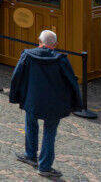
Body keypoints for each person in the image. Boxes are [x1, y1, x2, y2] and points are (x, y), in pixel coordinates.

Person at [9, 30, 83, 179]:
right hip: (54, 103)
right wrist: (77, 103)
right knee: (49, 133)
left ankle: (30, 155)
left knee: (31, 125)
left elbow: (16, 76)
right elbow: (72, 82)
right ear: (55, 44)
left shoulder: (27, 55)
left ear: (39, 41)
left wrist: (14, 96)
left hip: (32, 100)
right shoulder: (61, 60)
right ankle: (44, 166)